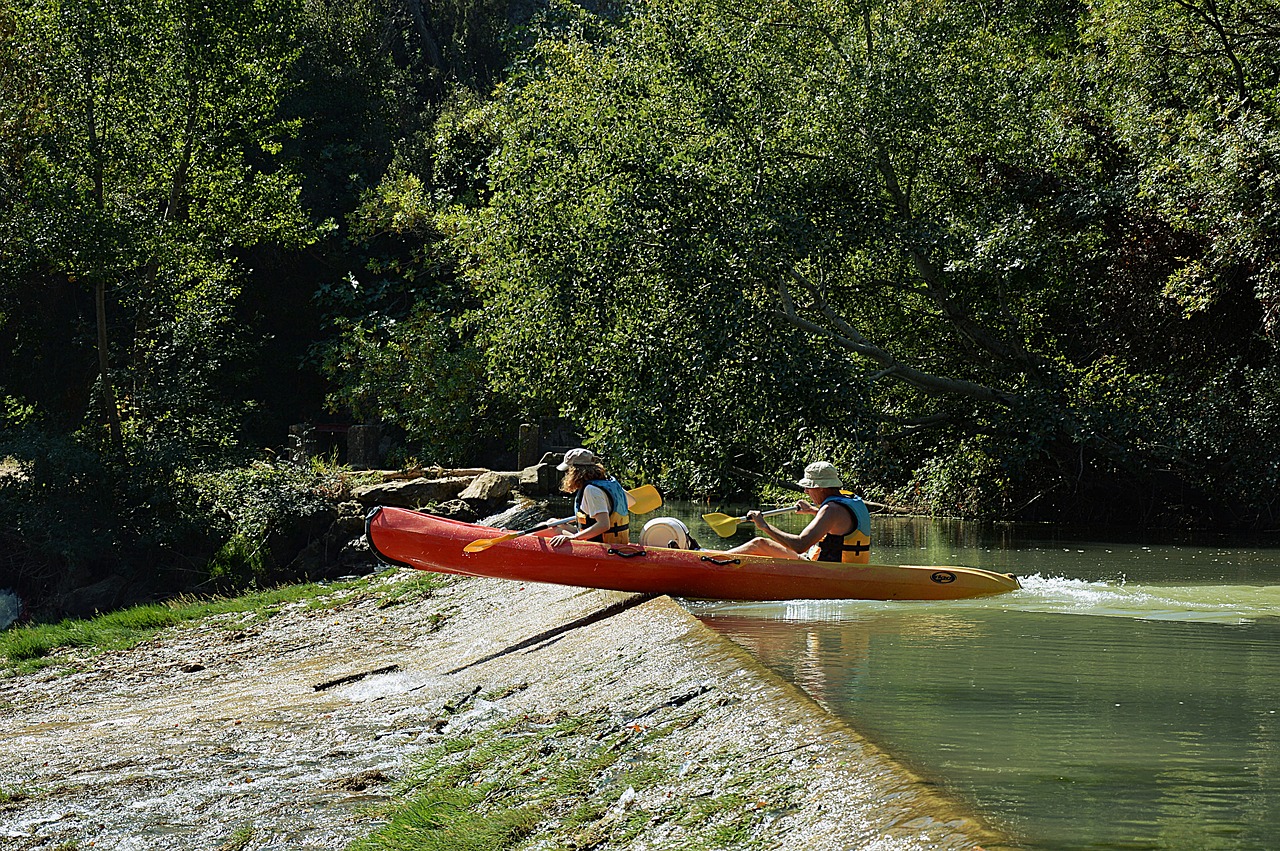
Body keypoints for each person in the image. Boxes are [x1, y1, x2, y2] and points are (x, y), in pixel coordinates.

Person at [726, 461, 871, 563]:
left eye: (809, 487)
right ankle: (712, 557)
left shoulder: (830, 509)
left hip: (826, 571)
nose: (806, 491)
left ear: (821, 487)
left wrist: (764, 526)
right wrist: (812, 511)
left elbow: (800, 546)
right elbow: (842, 523)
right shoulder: (850, 498)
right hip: (851, 569)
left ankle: (709, 560)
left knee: (759, 543)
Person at [549, 448, 633, 547]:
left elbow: (604, 525)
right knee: (552, 522)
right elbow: (631, 502)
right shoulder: (610, 484)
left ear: (574, 471)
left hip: (602, 544)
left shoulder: (591, 490)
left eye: (568, 471)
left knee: (552, 530)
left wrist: (573, 537)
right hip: (615, 540)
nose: (566, 474)